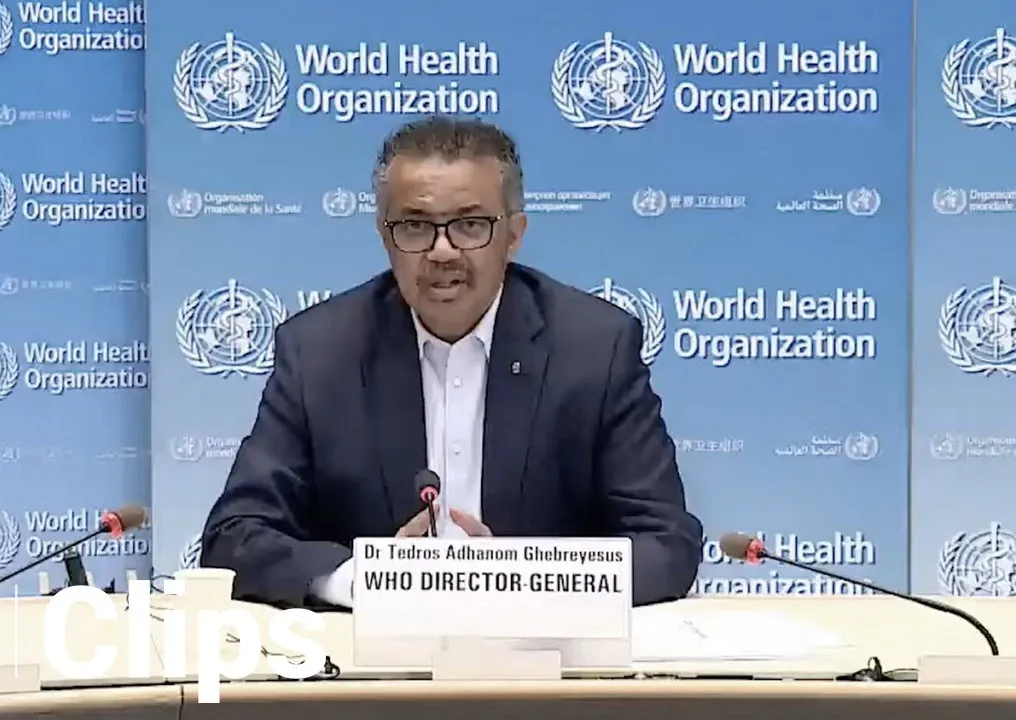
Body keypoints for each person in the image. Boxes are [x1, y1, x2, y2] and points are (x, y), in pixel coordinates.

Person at [201, 116, 703, 608]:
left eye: (470, 225)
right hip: (373, 654)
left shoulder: (594, 348)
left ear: (514, 234)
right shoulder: (319, 353)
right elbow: (235, 537)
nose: (442, 251)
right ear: (384, 235)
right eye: (415, 226)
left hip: (540, 652)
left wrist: (525, 581)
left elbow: (665, 544)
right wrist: (367, 579)